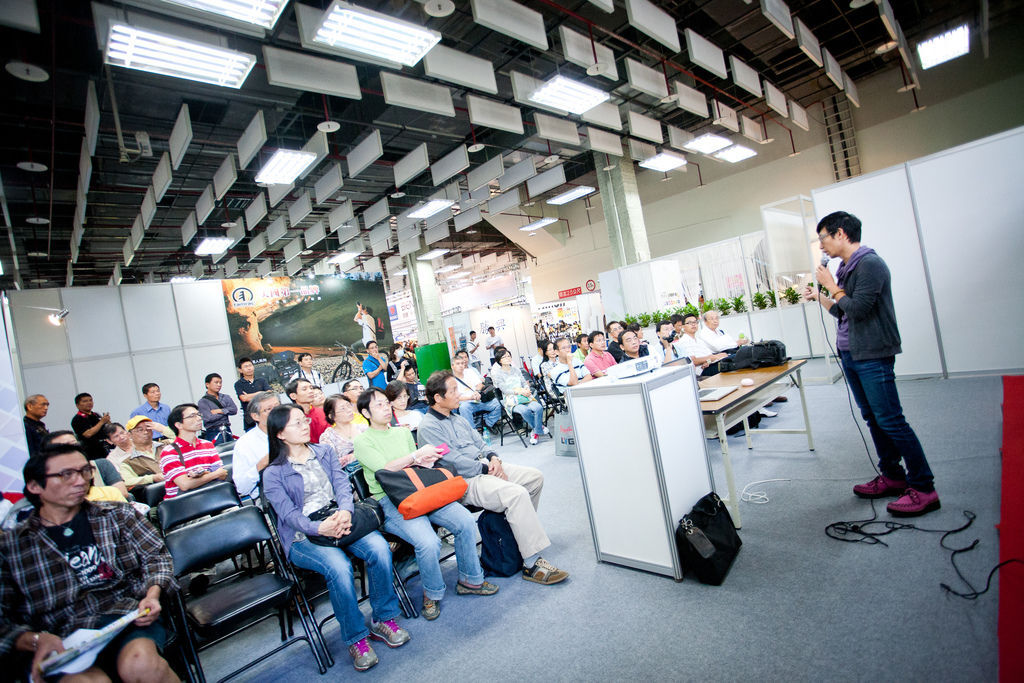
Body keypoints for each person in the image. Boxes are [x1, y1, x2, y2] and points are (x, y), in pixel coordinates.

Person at [0, 443, 178, 683]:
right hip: (59, 634)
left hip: (123, 615)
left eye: (85, 471)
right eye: (66, 475)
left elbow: (156, 557)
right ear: (35, 485)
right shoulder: (13, 545)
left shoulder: (117, 515)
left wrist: (153, 593)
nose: (80, 481)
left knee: (142, 665)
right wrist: (33, 639)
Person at [804, 211, 939, 516]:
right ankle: (892, 476)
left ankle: (924, 487)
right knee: (873, 418)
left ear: (840, 234)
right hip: (853, 353)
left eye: (823, 237)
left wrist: (831, 285)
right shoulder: (848, 267)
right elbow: (844, 312)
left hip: (873, 354)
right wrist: (821, 296)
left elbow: (860, 309)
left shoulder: (869, 264)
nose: (822, 246)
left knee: (891, 419)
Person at [263, 404, 409, 671]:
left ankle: (383, 618)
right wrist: (319, 528)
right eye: (296, 423)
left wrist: (344, 511)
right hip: (303, 536)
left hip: (339, 519)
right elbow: (287, 514)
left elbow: (342, 484)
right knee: (339, 568)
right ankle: (356, 637)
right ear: (280, 434)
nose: (305, 425)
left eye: (304, 420)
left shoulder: (323, 451)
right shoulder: (274, 473)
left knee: (379, 548)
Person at [354, 387, 498, 621]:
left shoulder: (401, 433)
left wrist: (425, 459)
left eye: (385, 402)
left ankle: (470, 580)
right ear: (365, 412)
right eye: (378, 404)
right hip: (391, 499)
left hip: (419, 489)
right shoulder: (362, 441)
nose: (386, 407)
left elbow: (416, 467)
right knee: (428, 542)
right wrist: (415, 456)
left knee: (464, 521)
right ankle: (432, 594)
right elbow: (385, 470)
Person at [418, 371, 569, 583]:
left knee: (534, 478)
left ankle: (517, 536)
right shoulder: (429, 427)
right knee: (516, 494)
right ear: (437, 397)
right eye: (453, 390)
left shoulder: (458, 418)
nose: (459, 394)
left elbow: (480, 442)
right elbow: (453, 462)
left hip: (485, 467)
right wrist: (486, 468)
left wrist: (493, 458)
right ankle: (532, 563)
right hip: (464, 481)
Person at [159, 403, 228, 499]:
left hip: (212, 497)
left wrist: (203, 475)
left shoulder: (207, 445)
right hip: (186, 504)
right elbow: (185, 484)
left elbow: (222, 474)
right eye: (192, 416)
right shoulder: (169, 452)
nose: (199, 418)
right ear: (179, 425)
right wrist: (213, 474)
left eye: (199, 415)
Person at [43, 431, 131, 503]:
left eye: (74, 445)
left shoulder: (101, 465)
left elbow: (122, 493)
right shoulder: (50, 481)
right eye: (64, 447)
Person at [491, 349, 547, 444]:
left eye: (508, 356)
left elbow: (523, 382)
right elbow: (505, 390)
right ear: (499, 360)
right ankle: (538, 428)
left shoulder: (516, 369)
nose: (507, 358)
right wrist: (520, 392)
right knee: (524, 411)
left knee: (538, 407)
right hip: (511, 399)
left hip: (524, 395)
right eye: (504, 357)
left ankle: (535, 429)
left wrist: (526, 389)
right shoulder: (498, 374)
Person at [232, 391, 280, 500]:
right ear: (255, 416)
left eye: (278, 406)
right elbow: (242, 488)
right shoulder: (245, 444)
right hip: (270, 498)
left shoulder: (293, 430)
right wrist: (261, 465)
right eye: (269, 409)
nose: (276, 412)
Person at [450, 350, 501, 435]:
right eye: (458, 364)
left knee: (497, 404)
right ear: (452, 366)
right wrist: (471, 397)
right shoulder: (450, 380)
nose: (461, 366)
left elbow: (479, 384)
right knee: (464, 408)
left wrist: (477, 392)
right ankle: (473, 432)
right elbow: (456, 398)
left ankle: (488, 423)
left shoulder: (470, 372)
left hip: (479, 399)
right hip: (467, 403)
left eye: (462, 363)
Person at [112, 417, 166, 491]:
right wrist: (152, 478)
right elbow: (127, 482)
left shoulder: (166, 444)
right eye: (140, 430)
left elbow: (185, 440)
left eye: (148, 428)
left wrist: (163, 429)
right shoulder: (128, 462)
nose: (146, 432)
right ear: (129, 435)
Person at [319, 394, 366, 468]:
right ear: (331, 416)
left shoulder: (363, 428)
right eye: (343, 408)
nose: (349, 410)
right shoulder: (327, 437)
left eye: (348, 405)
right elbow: (331, 463)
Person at [197, 373, 238, 444]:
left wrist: (220, 411)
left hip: (227, 429)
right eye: (216, 382)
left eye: (220, 383)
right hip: (213, 431)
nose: (219, 385)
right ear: (207, 384)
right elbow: (208, 418)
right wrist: (226, 412)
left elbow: (234, 410)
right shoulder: (203, 401)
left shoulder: (225, 397)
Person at [286, 378, 329, 443]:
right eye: (304, 389)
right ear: (293, 396)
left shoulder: (322, 411)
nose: (310, 391)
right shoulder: (290, 418)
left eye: (311, 388)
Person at [71, 393, 110, 461]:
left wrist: (107, 421)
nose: (89, 403)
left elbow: (107, 428)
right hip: (92, 452)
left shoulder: (96, 415)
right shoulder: (77, 419)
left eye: (90, 400)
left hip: (106, 448)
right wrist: (101, 422)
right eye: (85, 401)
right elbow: (88, 434)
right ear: (77, 405)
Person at [235, 356, 271, 431]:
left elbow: (269, 394)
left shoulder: (262, 380)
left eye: (250, 365)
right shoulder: (238, 384)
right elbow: (243, 398)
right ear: (240, 370)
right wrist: (261, 393)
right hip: (250, 420)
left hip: (265, 417)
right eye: (246, 366)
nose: (249, 368)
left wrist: (249, 396)